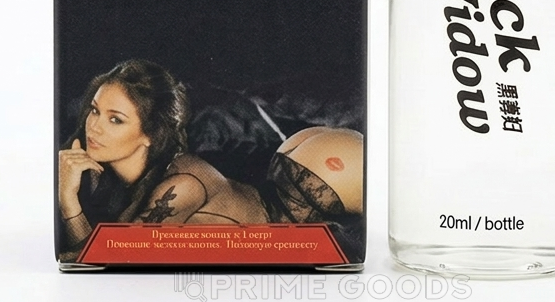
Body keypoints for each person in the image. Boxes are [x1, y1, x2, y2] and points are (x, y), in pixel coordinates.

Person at [57, 59, 363, 261]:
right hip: (292, 164)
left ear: (150, 134)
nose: (94, 126)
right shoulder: (136, 179)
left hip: (318, 177)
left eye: (115, 119)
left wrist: (69, 201)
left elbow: (105, 259)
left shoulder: (181, 186)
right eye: (95, 110)